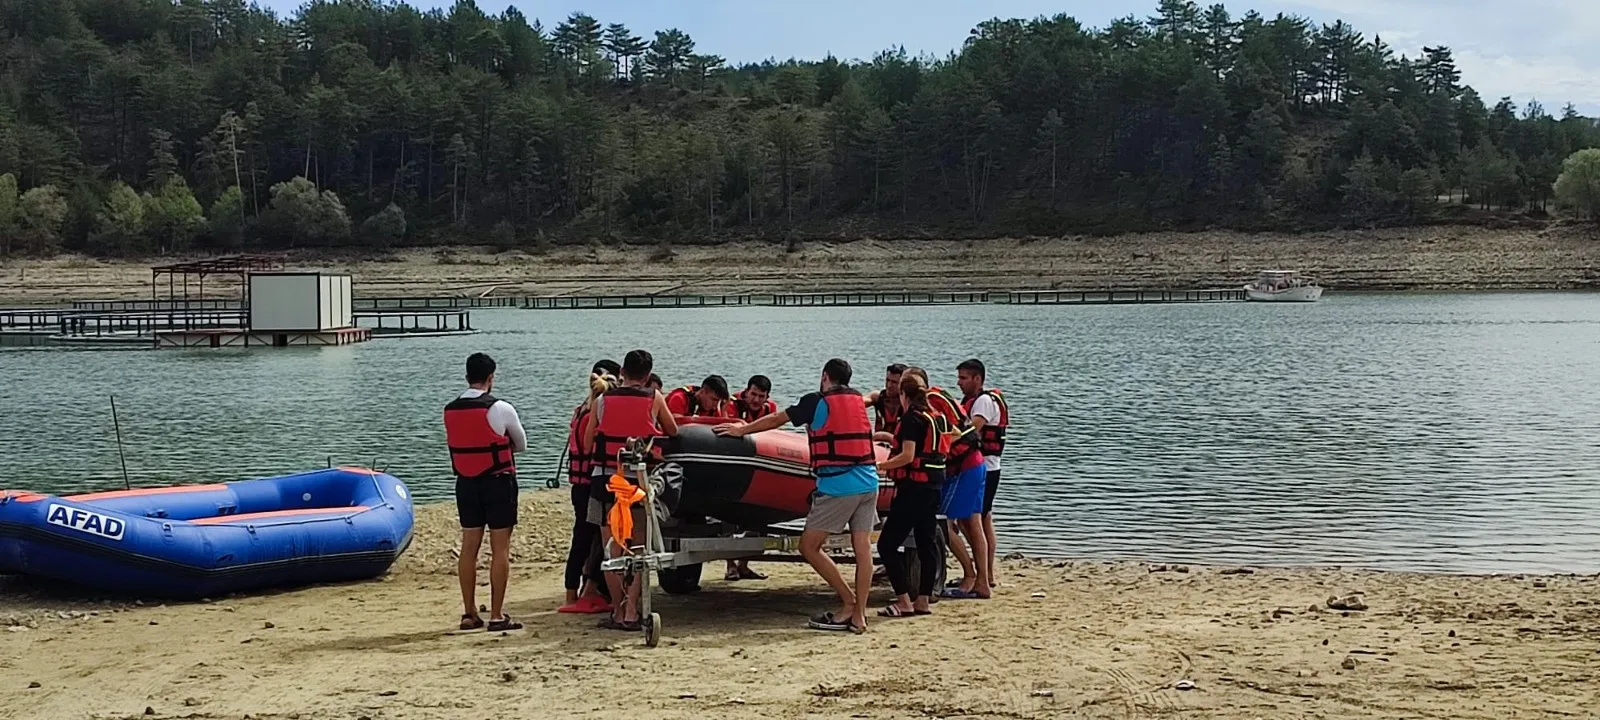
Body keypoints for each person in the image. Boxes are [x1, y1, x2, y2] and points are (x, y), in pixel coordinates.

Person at [716, 358, 876, 634]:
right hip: (870, 482)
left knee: (809, 547)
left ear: (825, 376)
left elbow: (777, 419)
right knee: (863, 549)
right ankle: (859, 616)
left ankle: (848, 602)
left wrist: (741, 430)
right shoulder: (856, 401)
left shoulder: (816, 401)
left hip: (839, 486)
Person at [584, 349, 679, 631]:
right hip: (637, 482)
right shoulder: (654, 397)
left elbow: (589, 442)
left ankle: (617, 609)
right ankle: (631, 612)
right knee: (639, 547)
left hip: (605, 479)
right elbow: (672, 431)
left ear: (622, 372)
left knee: (610, 549)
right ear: (648, 376)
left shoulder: (601, 401)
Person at [443, 352, 528, 632]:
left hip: (466, 483)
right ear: (491, 378)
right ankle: (496, 614)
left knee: (469, 547)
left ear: (466, 376)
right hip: (497, 480)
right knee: (500, 548)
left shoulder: (450, 409)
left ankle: (468, 612)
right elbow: (521, 444)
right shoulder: (500, 408)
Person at [904, 367, 990, 600]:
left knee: (941, 521)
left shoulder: (930, 403)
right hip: (976, 463)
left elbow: (951, 432)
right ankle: (982, 581)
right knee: (973, 523)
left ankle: (971, 576)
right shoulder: (934, 400)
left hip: (964, 467)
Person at [874, 372, 948, 618]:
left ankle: (904, 601)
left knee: (886, 545)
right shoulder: (935, 418)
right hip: (933, 488)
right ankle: (923, 601)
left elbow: (907, 455)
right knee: (926, 544)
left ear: (904, 395)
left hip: (913, 490)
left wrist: (881, 466)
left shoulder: (910, 419)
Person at [559, 360, 620, 614]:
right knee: (594, 538)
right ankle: (586, 590)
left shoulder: (580, 409)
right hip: (591, 483)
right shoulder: (597, 413)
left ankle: (574, 591)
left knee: (583, 538)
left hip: (578, 483)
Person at [722, 374, 779, 582]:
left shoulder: (770, 410)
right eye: (753, 394)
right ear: (746, 392)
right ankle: (730, 566)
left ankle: (744, 564)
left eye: (760, 396)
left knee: (761, 518)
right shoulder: (732, 405)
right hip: (733, 465)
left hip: (757, 468)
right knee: (726, 518)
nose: (755, 400)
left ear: (767, 397)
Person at [958, 358, 1008, 592]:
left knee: (974, 519)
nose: (959, 383)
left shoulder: (984, 402)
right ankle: (987, 574)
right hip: (986, 467)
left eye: (964, 378)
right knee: (984, 518)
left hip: (985, 468)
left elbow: (969, 431)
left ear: (977, 379)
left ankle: (983, 576)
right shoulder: (973, 400)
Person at [666, 375, 731, 425]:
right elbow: (676, 423)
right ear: (702, 392)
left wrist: (724, 411)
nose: (715, 405)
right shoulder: (679, 398)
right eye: (714, 400)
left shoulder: (713, 409)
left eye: (718, 401)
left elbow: (724, 428)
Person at [865, 363, 907, 433]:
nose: (889, 385)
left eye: (894, 382)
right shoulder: (877, 397)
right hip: (878, 442)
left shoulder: (909, 402)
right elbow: (856, 403)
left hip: (900, 442)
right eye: (887, 380)